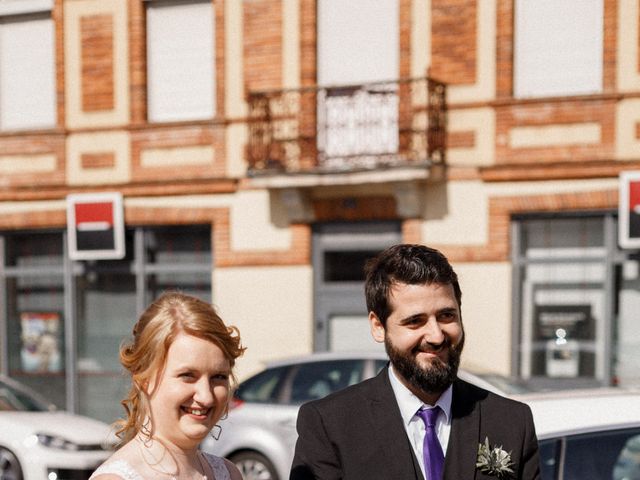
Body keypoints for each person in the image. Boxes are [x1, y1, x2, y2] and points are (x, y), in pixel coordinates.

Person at [290, 244, 540, 480]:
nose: (436, 336)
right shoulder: (330, 424)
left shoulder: (512, 422)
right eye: (415, 321)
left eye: (446, 316)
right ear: (378, 327)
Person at [90, 291, 245, 480]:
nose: (206, 396)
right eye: (188, 376)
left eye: (218, 377)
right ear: (143, 379)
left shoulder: (228, 473)